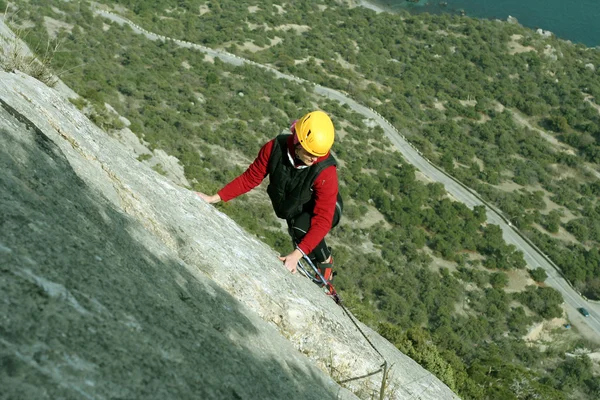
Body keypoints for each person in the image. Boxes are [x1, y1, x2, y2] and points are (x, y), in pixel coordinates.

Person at [197, 110, 342, 281]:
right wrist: (213, 198)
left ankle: (325, 263)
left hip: (329, 208)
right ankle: (313, 255)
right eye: (311, 153)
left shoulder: (325, 171)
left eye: (318, 155)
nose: (314, 159)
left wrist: (296, 255)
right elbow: (250, 178)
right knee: (297, 230)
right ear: (298, 141)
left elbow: (323, 218)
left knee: (301, 229)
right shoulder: (274, 148)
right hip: (295, 204)